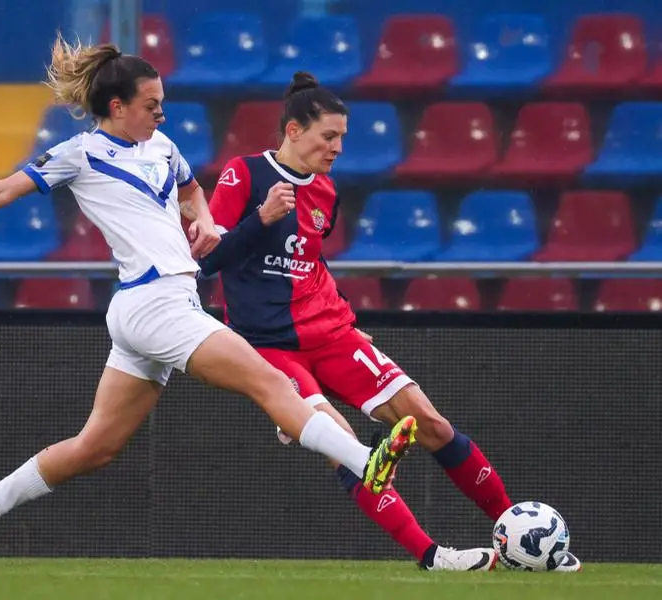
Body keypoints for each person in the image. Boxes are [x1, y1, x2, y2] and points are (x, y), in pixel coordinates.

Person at [0, 41, 419, 568]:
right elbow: (2, 191)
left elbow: (191, 192)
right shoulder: (80, 154)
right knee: (273, 384)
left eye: (163, 104)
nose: (161, 113)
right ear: (117, 106)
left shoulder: (163, 148)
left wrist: (204, 220)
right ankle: (363, 460)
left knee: (95, 447)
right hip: (156, 306)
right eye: (151, 105)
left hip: (148, 308)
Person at [199, 71, 582, 573]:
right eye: (328, 136)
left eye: (342, 138)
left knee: (431, 423)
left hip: (331, 332)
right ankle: (432, 555)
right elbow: (207, 261)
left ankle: (516, 532)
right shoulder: (243, 176)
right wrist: (261, 219)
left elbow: (309, 260)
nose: (337, 148)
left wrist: (345, 316)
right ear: (293, 131)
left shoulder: (325, 192)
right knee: (349, 449)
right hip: (269, 347)